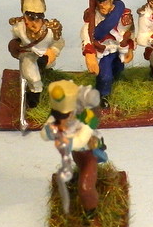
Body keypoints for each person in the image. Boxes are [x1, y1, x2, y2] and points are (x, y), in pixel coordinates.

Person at [40, 80, 105, 218]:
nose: (61, 120)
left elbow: (81, 141)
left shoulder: (86, 118)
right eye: (58, 116)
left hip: (89, 153)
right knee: (80, 167)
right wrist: (51, 131)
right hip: (77, 155)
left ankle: (91, 211)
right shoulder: (57, 117)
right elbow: (45, 133)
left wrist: (65, 141)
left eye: (65, 116)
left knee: (85, 188)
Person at [80, 0, 135, 108]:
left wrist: (130, 48)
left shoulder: (122, 14)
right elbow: (86, 33)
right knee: (105, 76)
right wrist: (89, 53)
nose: (101, 4)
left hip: (119, 49)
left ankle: (115, 81)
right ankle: (103, 94)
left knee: (118, 68)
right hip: (103, 50)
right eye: (98, 0)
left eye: (104, 0)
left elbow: (130, 31)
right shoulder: (93, 16)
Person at [8, 0, 65, 108]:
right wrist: (15, 45)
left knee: (47, 66)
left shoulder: (50, 30)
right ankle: (34, 97)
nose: (34, 23)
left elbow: (59, 42)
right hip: (28, 54)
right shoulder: (18, 27)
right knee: (34, 78)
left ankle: (44, 71)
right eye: (30, 19)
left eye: (37, 19)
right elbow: (15, 40)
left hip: (45, 55)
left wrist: (52, 52)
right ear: (25, 18)